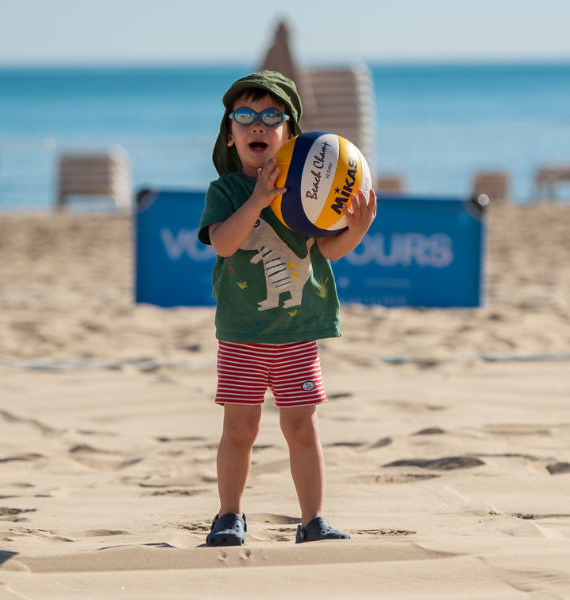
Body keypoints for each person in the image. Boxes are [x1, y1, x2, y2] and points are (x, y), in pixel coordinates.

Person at [198, 71, 377, 546]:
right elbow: (222, 243)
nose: (257, 125)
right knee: (240, 427)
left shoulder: (307, 191)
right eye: (245, 116)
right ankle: (229, 515)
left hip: (298, 331)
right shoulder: (227, 192)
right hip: (242, 334)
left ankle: (313, 519)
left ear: (290, 135)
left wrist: (355, 230)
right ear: (230, 135)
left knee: (301, 426)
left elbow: (327, 249)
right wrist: (258, 200)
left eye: (271, 116)